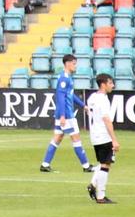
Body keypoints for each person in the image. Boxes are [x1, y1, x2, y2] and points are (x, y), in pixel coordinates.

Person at [39, 54, 94, 174]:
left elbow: (70, 95)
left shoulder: (67, 77)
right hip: (67, 115)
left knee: (58, 138)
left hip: (61, 114)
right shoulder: (64, 78)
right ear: (68, 63)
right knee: (76, 138)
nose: (75, 66)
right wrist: (63, 116)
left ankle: (45, 164)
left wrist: (82, 105)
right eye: (74, 63)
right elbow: (61, 97)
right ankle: (86, 165)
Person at [85, 74, 119, 204]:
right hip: (103, 135)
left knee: (104, 162)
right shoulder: (103, 100)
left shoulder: (92, 97)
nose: (112, 85)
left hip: (94, 135)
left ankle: (93, 184)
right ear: (103, 84)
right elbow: (106, 119)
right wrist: (114, 139)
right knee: (106, 164)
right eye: (110, 83)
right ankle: (100, 196)